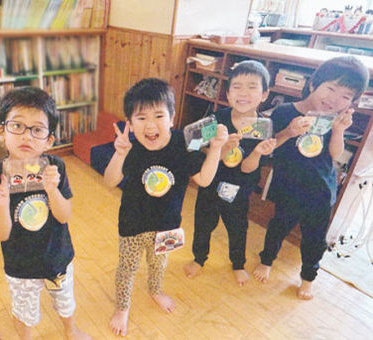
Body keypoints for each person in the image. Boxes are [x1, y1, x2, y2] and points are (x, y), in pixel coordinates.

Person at [104, 78, 228, 336]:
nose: (150, 125)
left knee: (159, 266)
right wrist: (120, 154)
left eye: (159, 115)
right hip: (132, 224)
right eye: (141, 118)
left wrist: (215, 149)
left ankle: (155, 290)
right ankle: (123, 307)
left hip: (169, 224)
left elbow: (204, 180)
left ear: (172, 118)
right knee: (127, 269)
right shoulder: (130, 147)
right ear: (130, 123)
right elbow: (110, 180)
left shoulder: (184, 142)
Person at [0, 86, 91, 340]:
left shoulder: (55, 166)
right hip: (20, 265)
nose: (26, 136)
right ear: (1, 131)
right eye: (17, 126)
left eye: (37, 129)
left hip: (57, 256)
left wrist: (53, 191)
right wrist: (1, 204)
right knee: (24, 312)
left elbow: (64, 215)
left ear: (49, 140)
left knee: (65, 300)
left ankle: (70, 330)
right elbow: (0, 234)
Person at [253, 56, 370, 299]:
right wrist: (289, 131)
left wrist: (338, 130)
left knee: (315, 238)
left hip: (320, 191)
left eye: (345, 97)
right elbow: (271, 146)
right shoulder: (285, 112)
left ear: (351, 103)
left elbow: (336, 155)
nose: (334, 99)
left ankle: (308, 277)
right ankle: (266, 261)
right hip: (288, 186)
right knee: (277, 226)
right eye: (331, 88)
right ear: (313, 84)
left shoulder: (334, 121)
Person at [183, 60, 277, 286]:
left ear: (265, 94)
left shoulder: (263, 126)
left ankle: (237, 263)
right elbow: (189, 143)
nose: (243, 93)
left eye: (252, 87)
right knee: (203, 223)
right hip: (210, 183)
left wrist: (256, 153)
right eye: (237, 87)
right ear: (227, 93)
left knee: (238, 227)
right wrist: (220, 148)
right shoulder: (217, 119)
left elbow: (247, 168)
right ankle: (199, 258)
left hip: (240, 189)